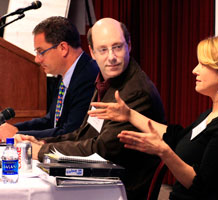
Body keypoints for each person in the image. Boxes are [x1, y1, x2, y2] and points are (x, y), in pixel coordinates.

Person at [88, 32, 218, 199]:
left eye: (203, 65)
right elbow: (180, 138)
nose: (194, 70)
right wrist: (129, 115)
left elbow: (202, 187)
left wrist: (163, 151)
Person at [15, 18, 165, 200]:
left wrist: (42, 151)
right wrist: (44, 142)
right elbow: (84, 133)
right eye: (103, 49)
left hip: (123, 189)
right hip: (102, 179)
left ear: (129, 46)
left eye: (117, 47)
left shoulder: (136, 91)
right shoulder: (105, 81)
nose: (111, 57)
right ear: (92, 53)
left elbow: (102, 149)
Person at [0, 16, 99, 139]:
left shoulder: (88, 76)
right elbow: (50, 121)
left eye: (40, 51)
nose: (37, 59)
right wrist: (14, 129)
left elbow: (71, 132)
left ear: (63, 48)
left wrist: (17, 134)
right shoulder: (66, 74)